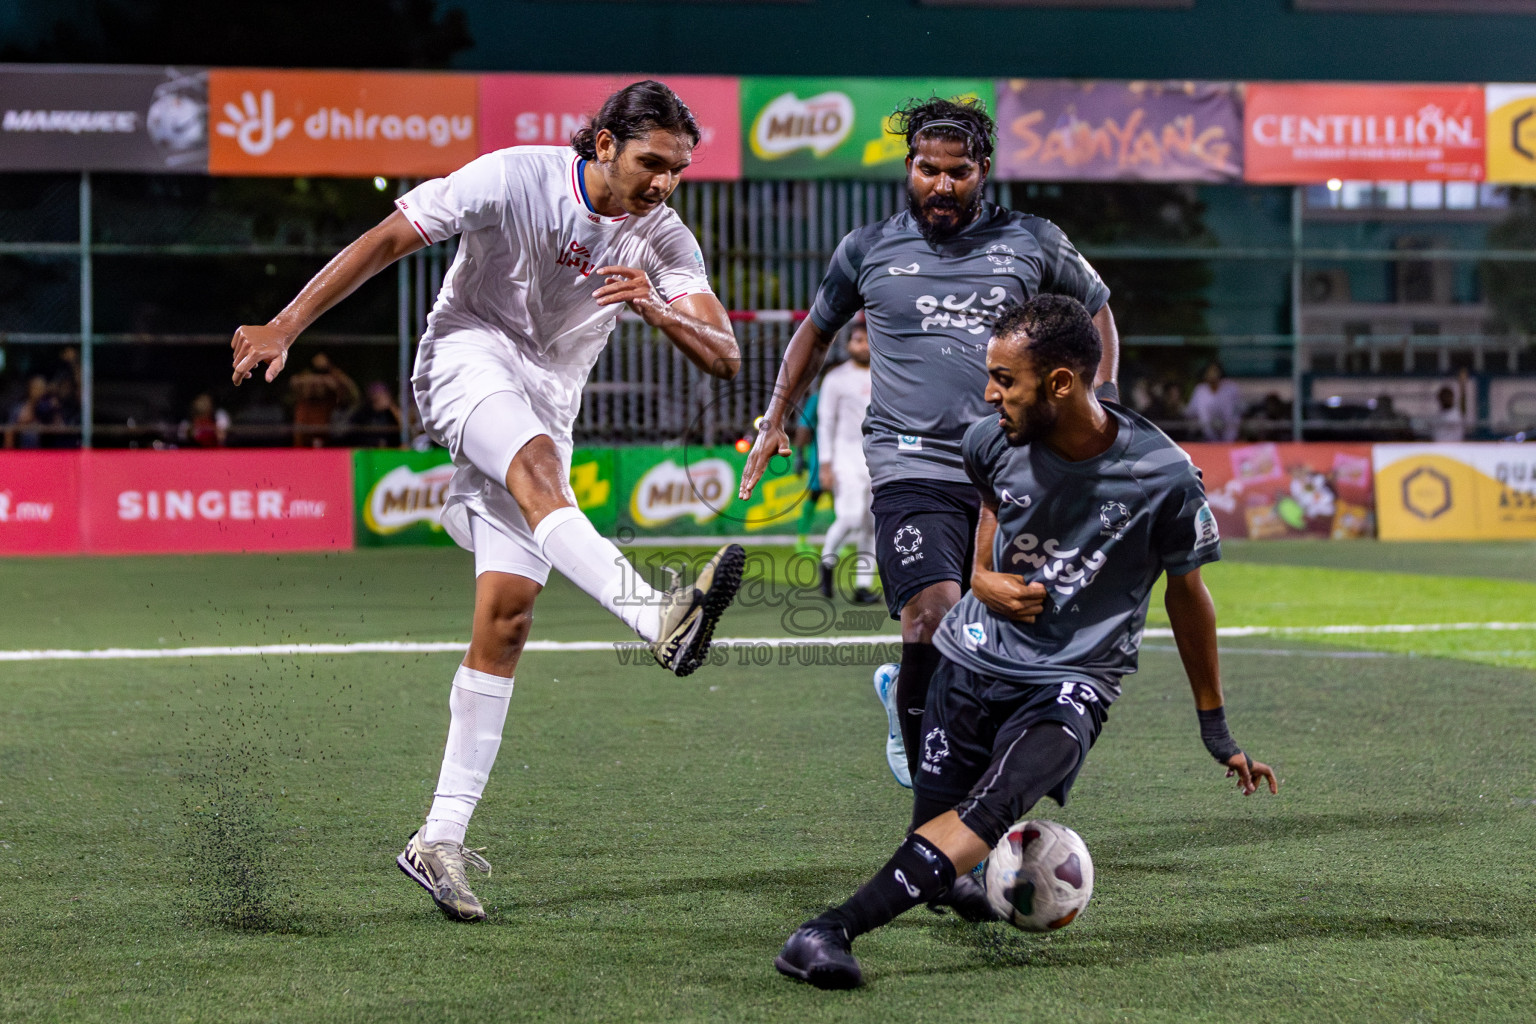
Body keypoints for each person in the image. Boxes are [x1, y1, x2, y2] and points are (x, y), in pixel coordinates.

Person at [230, 80, 746, 923]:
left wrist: (656, 309)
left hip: (549, 400)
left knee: (505, 621)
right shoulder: (512, 176)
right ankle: (657, 618)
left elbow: (724, 353)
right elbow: (388, 238)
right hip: (466, 359)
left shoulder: (662, 234)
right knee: (540, 473)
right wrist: (287, 324)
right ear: (605, 144)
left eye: (679, 170)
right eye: (653, 163)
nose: (664, 183)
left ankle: (437, 837)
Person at [774, 294, 1278, 990]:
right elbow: (989, 500)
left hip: (1072, 683)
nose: (989, 393)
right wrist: (982, 577)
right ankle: (948, 878)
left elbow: (1187, 595)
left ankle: (825, 931)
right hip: (968, 662)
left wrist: (1216, 726)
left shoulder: (1162, 477)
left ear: (1062, 384)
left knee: (987, 813)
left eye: (1005, 379)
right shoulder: (991, 441)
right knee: (937, 836)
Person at [739, 96, 1119, 794]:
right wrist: (776, 417)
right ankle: (936, 808)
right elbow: (814, 331)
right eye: (927, 169)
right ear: (908, 167)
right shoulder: (866, 248)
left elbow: (1095, 308)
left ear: (984, 171)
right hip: (908, 459)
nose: (941, 185)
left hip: (1012, 466)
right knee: (932, 614)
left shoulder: (1034, 240)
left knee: (1005, 633)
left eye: (958, 172)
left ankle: (910, 700)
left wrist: (1104, 404)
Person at [816, 322, 878, 605]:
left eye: (866, 340)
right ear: (848, 344)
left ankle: (863, 586)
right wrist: (825, 464)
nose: (861, 345)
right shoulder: (835, 378)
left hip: (877, 456)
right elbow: (825, 423)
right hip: (845, 454)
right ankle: (827, 563)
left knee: (872, 524)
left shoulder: (885, 374)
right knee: (850, 518)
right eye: (856, 340)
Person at [287, 352, 359, 447]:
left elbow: (353, 393)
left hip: (326, 423)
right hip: (305, 423)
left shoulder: (336, 377)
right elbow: (294, 383)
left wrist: (332, 378)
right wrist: (319, 381)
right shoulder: (302, 378)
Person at [1185, 361, 1242, 442]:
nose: (1212, 374)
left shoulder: (1230, 388)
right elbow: (1191, 411)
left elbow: (1237, 411)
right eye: (1210, 371)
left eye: (1215, 371)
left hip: (1229, 433)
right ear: (1205, 374)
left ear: (1220, 372)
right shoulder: (1200, 390)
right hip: (1207, 435)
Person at [350, 380, 403, 446]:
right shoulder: (363, 412)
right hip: (368, 450)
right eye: (374, 393)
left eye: (381, 393)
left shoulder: (392, 411)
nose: (377, 396)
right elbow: (352, 429)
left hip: (391, 449)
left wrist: (391, 406)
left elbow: (405, 426)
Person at [1431, 370, 1470, 442]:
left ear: (1452, 398)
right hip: (1438, 449)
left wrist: (1462, 384)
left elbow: (1463, 402)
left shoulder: (1457, 413)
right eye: (1443, 397)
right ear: (1439, 399)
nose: (1446, 399)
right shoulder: (1437, 416)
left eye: (1448, 397)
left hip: (1454, 449)